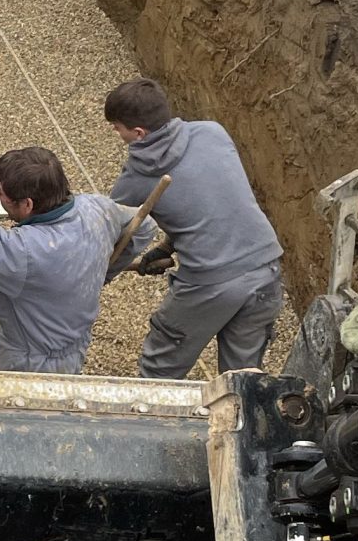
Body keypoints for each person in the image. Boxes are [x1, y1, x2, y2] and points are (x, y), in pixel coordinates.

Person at [105, 76, 285, 380]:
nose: (115, 132)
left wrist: (101, 274)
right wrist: (166, 246)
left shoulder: (137, 178)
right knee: (242, 379)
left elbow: (114, 235)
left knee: (160, 370)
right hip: (265, 270)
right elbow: (211, 201)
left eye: (117, 127)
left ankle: (153, 422)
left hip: (210, 283)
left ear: (138, 133)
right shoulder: (213, 133)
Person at [0, 146, 136, 375]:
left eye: (0, 191)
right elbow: (142, 226)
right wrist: (99, 271)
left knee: (18, 409)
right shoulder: (97, 208)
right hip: (75, 349)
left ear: (28, 204)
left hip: (30, 365)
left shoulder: (25, 251)